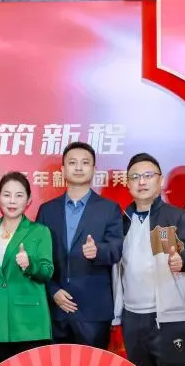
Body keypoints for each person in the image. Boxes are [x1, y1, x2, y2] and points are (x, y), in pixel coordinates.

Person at [115, 153, 185, 366]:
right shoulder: (122, 220)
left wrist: (182, 261)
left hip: (170, 316)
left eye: (148, 175)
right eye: (135, 177)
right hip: (133, 316)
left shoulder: (176, 217)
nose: (141, 182)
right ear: (128, 184)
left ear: (160, 181)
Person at [36, 142, 123, 349]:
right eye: (72, 162)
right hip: (56, 308)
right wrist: (52, 291)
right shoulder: (47, 210)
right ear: (63, 169)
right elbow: (38, 257)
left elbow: (117, 249)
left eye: (85, 163)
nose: (78, 167)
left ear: (94, 169)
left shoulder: (109, 209)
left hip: (93, 310)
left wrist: (98, 251)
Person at [0, 172, 54, 366]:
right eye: (7, 195)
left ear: (29, 200)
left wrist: (30, 265)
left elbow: (47, 271)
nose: (12, 201)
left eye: (19, 195)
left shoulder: (39, 231)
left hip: (30, 323)